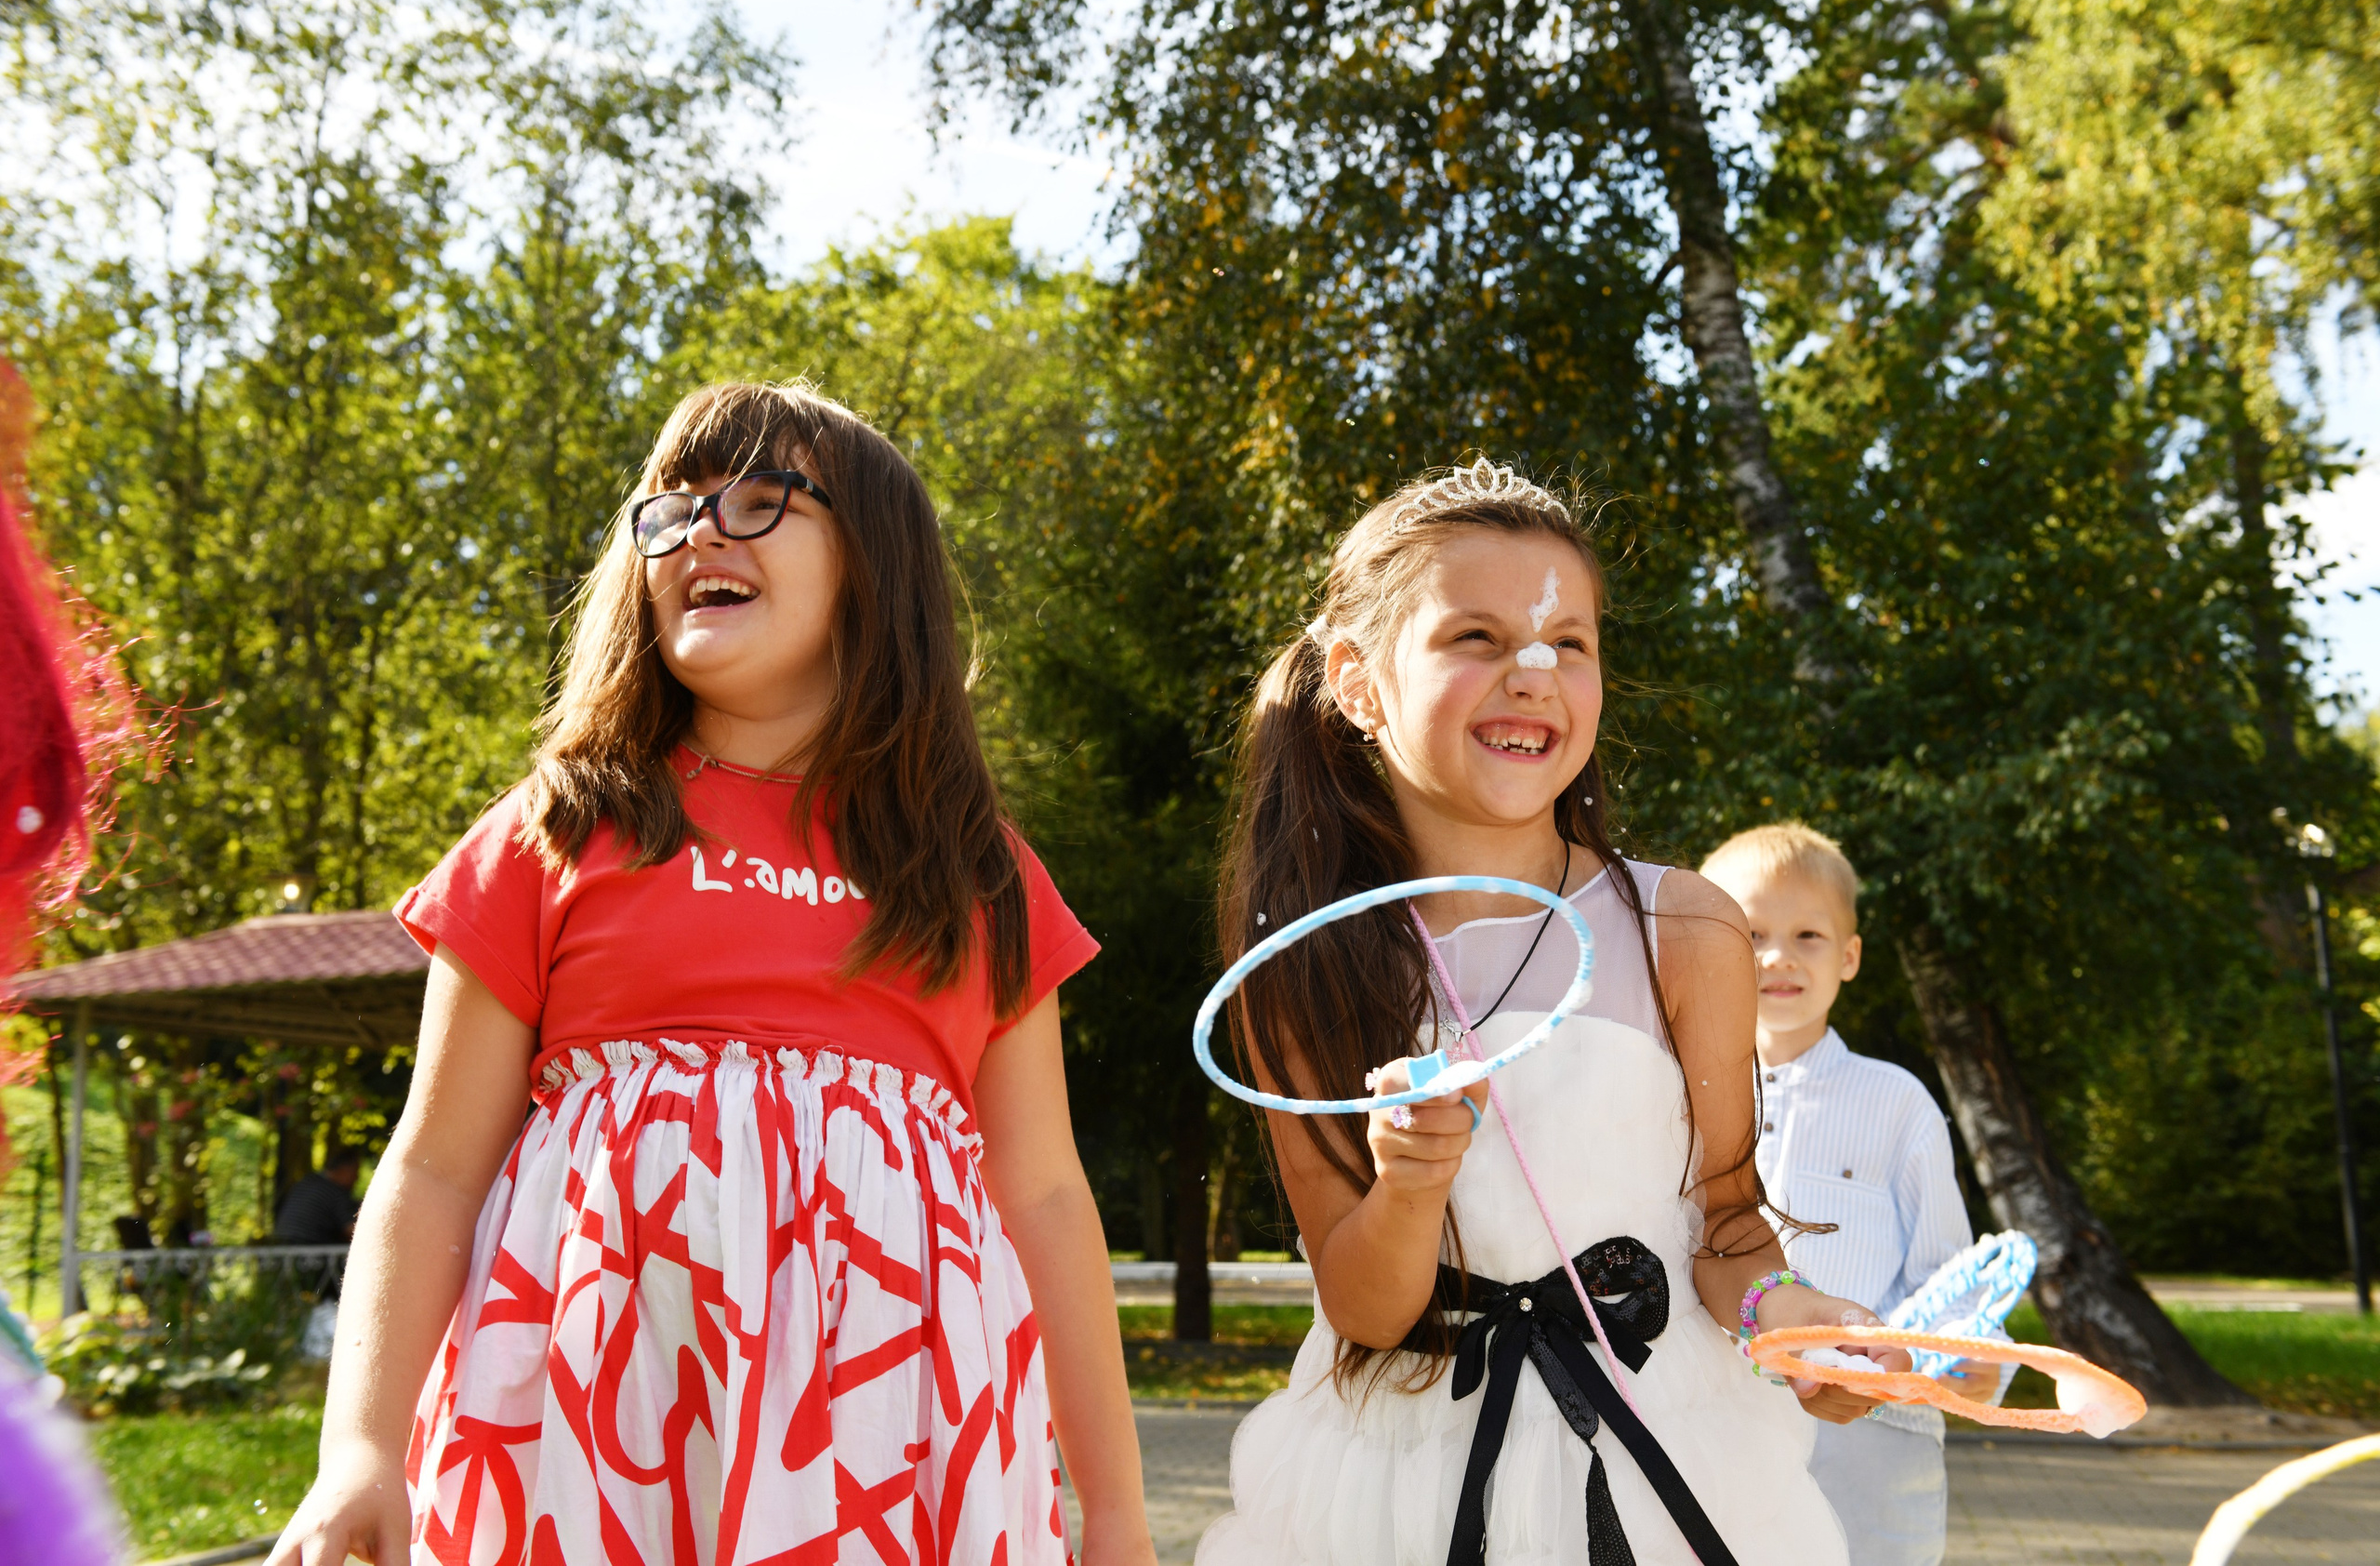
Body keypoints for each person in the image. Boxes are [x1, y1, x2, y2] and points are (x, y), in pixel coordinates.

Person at [271, 382, 1157, 1566]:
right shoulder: (556, 831)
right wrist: (361, 1451)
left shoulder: (975, 876)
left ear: (876, 568)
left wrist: (1118, 1512)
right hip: (587, 1430)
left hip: (888, 1439)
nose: (701, 532)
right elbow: (432, 1169)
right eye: (672, 510)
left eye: (758, 500)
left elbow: (1043, 1197)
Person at [1197, 464, 1901, 1566]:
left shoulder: (1685, 929)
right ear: (1357, 683)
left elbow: (1723, 1220)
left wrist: (1788, 1318)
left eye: (1568, 642)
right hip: (1396, 1485)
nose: (1532, 674)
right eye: (1475, 637)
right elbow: (1366, 1310)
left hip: (1662, 1453)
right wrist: (1410, 1186)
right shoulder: (1307, 968)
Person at [1699, 823, 2004, 1566]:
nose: (1777, 956)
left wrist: (1981, 1357)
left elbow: (1947, 1271)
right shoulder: (1687, 1094)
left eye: (1807, 934)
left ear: (1849, 955)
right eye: (1752, 934)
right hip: (1721, 1424)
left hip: (1874, 1437)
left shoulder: (1898, 1102)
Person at [271, 1147, 362, 1245]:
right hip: (307, 1248)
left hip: (281, 1246)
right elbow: (354, 1232)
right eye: (355, 1172)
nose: (357, 1178)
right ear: (345, 1169)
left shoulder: (307, 1182)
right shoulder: (334, 1191)